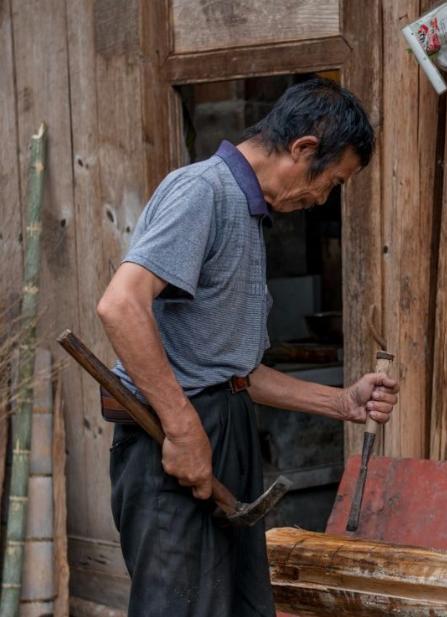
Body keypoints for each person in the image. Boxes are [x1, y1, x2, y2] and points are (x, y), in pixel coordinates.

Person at [96, 77, 399, 617]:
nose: (320, 200)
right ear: (303, 148)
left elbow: (237, 372)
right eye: (329, 182)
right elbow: (121, 305)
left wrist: (339, 403)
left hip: (222, 428)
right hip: (168, 439)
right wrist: (184, 427)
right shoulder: (202, 191)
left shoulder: (247, 212)